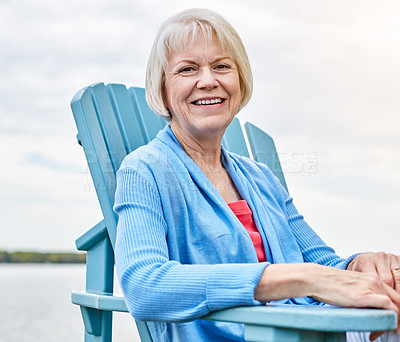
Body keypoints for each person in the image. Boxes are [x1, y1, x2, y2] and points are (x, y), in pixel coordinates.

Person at [114, 8, 400, 342]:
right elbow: (144, 285)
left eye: (222, 66)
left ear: (240, 81)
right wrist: (297, 279)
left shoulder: (259, 178)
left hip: (304, 328)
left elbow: (323, 264)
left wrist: (361, 265)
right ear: (163, 89)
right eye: (187, 69)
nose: (208, 80)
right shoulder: (145, 171)